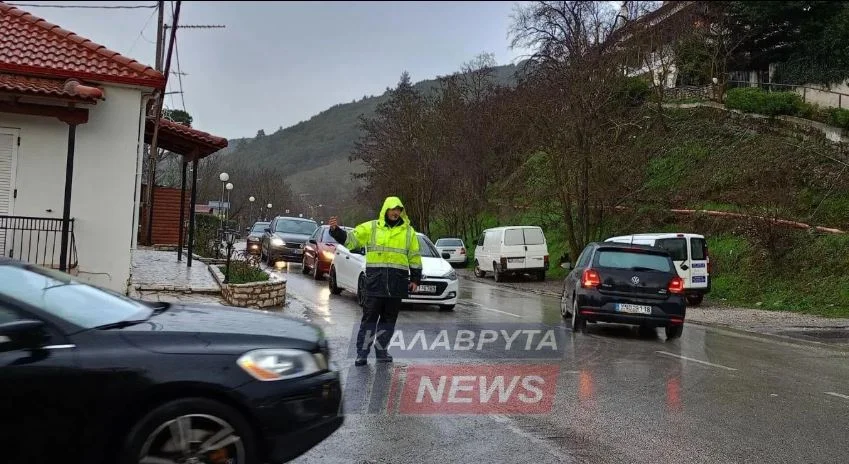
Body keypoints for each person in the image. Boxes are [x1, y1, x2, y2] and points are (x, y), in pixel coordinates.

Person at [328, 196, 422, 366]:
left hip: (396, 283)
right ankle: (362, 354)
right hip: (375, 282)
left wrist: (415, 278)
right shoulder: (371, 227)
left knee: (388, 321)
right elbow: (352, 240)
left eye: (398, 210)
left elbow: (414, 257)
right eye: (393, 209)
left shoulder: (409, 232)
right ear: (386, 209)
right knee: (369, 319)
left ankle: (381, 351)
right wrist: (336, 232)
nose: (395, 213)